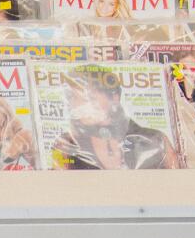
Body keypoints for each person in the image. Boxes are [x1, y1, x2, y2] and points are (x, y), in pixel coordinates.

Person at [50, 67, 180, 170]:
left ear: (114, 98)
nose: (78, 106)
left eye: (90, 98)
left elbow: (179, 183)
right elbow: (57, 187)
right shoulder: (64, 145)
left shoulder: (156, 139)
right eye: (74, 98)